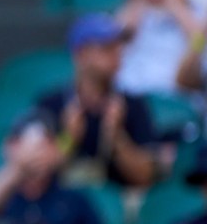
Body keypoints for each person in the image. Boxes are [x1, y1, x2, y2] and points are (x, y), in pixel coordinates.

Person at [36, 13, 157, 187]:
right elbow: (35, 176)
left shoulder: (132, 105)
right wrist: (68, 140)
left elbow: (145, 178)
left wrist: (117, 138)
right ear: (81, 54)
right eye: (106, 48)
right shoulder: (51, 104)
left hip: (120, 204)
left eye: (118, 47)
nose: (116, 54)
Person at [0, 109, 101, 224]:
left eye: (45, 144)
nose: (38, 153)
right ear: (10, 146)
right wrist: (18, 169)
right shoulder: (1, 195)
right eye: (31, 145)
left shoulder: (73, 200)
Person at [116, 0, 206, 95]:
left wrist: (172, 1)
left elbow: (199, 39)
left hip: (182, 100)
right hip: (136, 100)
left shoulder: (195, 9)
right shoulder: (130, 13)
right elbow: (120, 35)